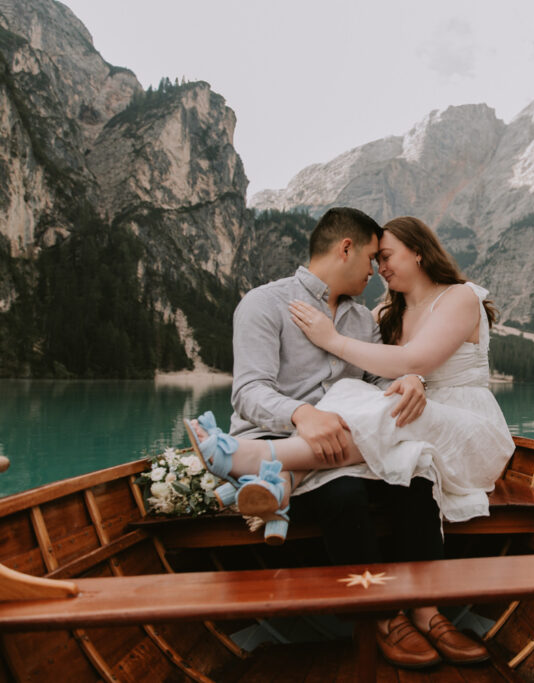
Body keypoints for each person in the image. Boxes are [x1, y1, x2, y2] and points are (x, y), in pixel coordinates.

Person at [186, 209, 513, 668]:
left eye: (385, 258)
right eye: (371, 258)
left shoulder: (364, 321)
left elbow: (375, 388)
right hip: (283, 433)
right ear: (346, 249)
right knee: (346, 494)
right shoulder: (265, 303)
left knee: (415, 474)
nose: (376, 271)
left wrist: (412, 380)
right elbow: (248, 393)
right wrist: (302, 414)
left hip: (350, 442)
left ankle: (429, 608)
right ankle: (383, 616)